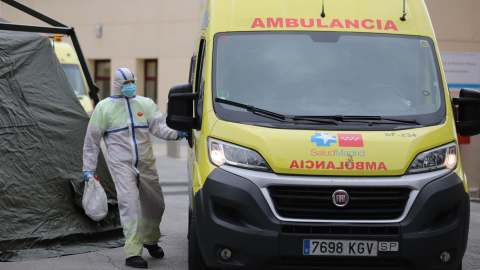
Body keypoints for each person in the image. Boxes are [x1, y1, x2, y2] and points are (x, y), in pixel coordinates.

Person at [82, 67, 187, 269]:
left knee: (156, 204)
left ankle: (150, 240)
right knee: (130, 206)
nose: (130, 86)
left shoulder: (145, 104)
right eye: (126, 83)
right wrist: (89, 168)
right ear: (118, 85)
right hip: (121, 165)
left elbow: (159, 127)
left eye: (133, 82)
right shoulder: (104, 108)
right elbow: (91, 141)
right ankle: (132, 253)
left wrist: (177, 133)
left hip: (146, 164)